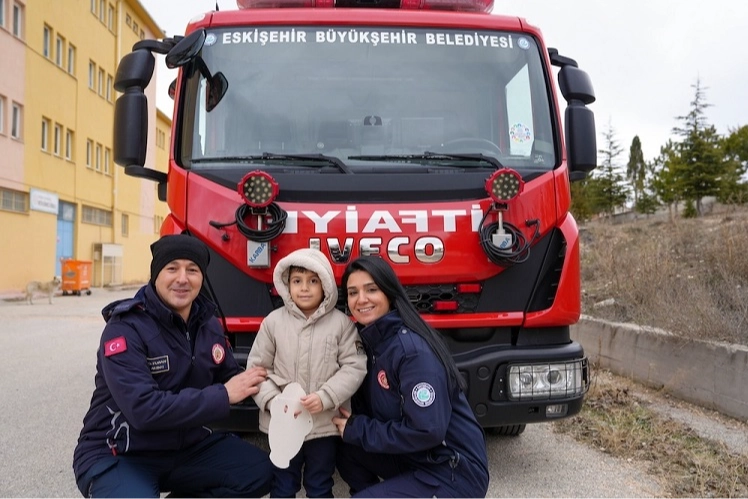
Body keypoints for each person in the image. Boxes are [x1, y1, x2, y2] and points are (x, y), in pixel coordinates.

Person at [73, 234, 272, 498]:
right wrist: (223, 395)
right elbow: (143, 410)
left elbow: (233, 377)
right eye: (172, 268)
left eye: (192, 270)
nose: (182, 278)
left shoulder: (208, 323)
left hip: (186, 448)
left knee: (260, 472)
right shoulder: (125, 328)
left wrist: (279, 393)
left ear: (202, 278)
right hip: (120, 453)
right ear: (156, 274)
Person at [332, 256, 490, 498]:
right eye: (353, 293)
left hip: (452, 472)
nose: (361, 299)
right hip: (417, 459)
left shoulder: (412, 352)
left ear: (389, 292)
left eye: (371, 289)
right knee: (348, 450)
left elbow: (427, 431)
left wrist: (358, 429)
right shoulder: (372, 343)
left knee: (355, 438)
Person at [247, 248, 367, 499]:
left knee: (320, 484)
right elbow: (257, 369)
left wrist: (326, 396)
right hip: (282, 425)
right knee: (282, 484)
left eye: (313, 281)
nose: (304, 288)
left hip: (323, 427)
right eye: (297, 281)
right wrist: (272, 401)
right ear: (286, 284)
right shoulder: (273, 322)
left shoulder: (341, 324)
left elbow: (354, 366)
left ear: (325, 286)